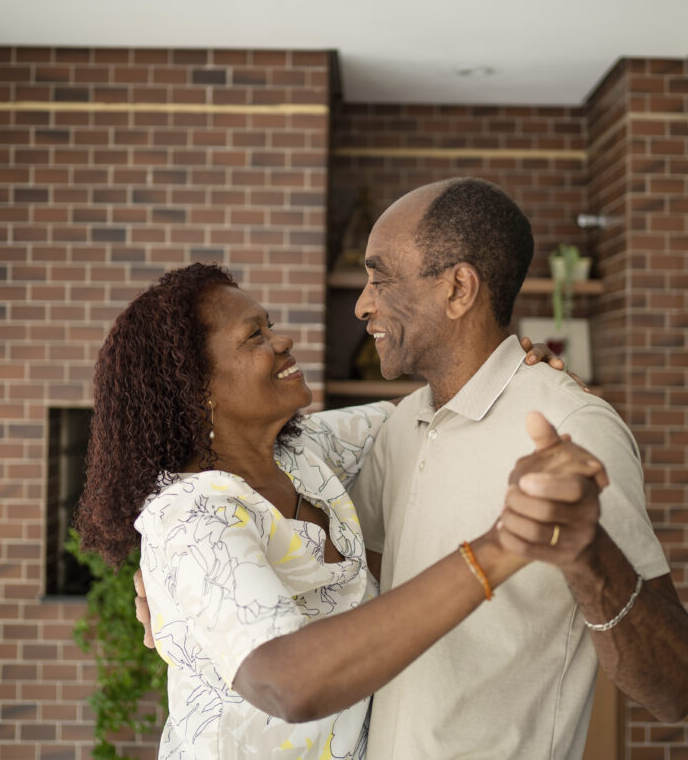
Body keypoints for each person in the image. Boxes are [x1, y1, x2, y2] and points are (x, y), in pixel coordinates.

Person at [74, 263, 574, 759]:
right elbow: (285, 683)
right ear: (194, 385)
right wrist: (497, 551)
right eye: (254, 336)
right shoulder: (191, 518)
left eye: (269, 325)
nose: (282, 340)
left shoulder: (303, 452)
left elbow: (428, 413)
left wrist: (516, 377)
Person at [347, 177, 688, 759]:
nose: (363, 303)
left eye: (380, 278)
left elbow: (677, 689)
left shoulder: (571, 427)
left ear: (459, 288)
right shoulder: (404, 426)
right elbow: (341, 582)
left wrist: (588, 556)